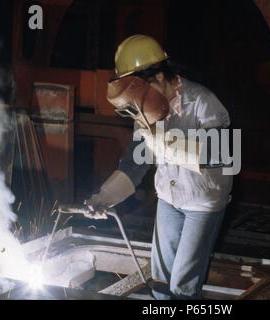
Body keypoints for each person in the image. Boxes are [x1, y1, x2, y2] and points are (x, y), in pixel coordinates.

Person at [85, 34, 233, 299]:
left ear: (160, 78)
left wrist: (162, 142)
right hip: (168, 199)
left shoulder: (203, 102)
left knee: (183, 285)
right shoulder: (145, 109)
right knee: (162, 282)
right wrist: (104, 197)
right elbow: (135, 163)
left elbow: (220, 152)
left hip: (203, 202)